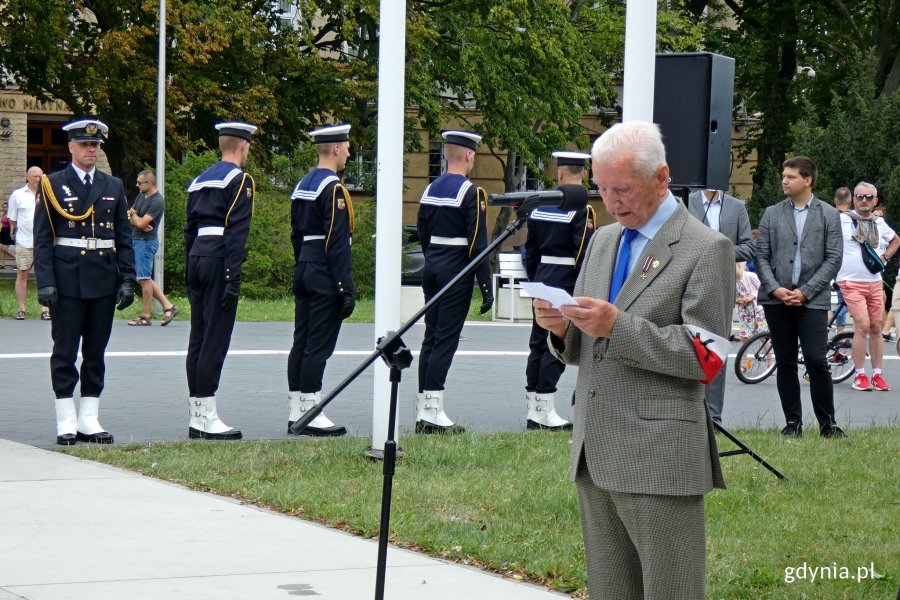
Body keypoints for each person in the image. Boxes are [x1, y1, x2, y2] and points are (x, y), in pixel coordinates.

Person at [534, 121, 733, 599]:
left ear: (661, 177)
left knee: (671, 590)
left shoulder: (707, 249)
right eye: (601, 188)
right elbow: (589, 345)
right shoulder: (604, 240)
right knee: (610, 589)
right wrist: (561, 330)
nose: (610, 201)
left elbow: (706, 358)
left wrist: (617, 326)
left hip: (658, 455)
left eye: (621, 188)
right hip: (595, 448)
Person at [32, 119, 136, 445]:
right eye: (85, 144)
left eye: (96, 145)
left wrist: (128, 277)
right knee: (64, 351)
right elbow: (43, 238)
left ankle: (89, 418)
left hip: (103, 278)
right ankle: (66, 418)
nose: (92, 149)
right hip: (66, 280)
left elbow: (124, 236)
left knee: (95, 351)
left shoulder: (113, 185)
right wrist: (45, 282)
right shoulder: (52, 184)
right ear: (71, 147)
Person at [756, 156, 846, 439]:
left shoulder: (829, 214)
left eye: (791, 176)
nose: (784, 180)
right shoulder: (771, 213)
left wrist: (806, 292)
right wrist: (774, 288)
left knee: (817, 360)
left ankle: (828, 425)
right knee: (784, 361)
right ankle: (792, 424)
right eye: (784, 175)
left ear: (808, 180)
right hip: (777, 300)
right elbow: (761, 256)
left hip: (813, 301)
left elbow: (833, 259)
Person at [416, 129, 494, 433]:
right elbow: (478, 244)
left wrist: (434, 258)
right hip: (456, 271)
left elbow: (422, 231)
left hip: (432, 267)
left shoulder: (429, 189)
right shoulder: (471, 193)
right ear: (469, 155)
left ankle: (425, 407)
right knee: (445, 340)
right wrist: (485, 286)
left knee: (431, 337)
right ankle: (432, 412)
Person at [184, 121, 257, 440]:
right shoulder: (240, 180)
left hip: (198, 256)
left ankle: (197, 414)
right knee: (215, 338)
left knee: (198, 337)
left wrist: (190, 265)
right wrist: (232, 276)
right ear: (243, 146)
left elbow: (189, 228)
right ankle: (207, 415)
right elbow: (237, 233)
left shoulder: (200, 179)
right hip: (218, 260)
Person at [286, 124, 355, 437]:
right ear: (337, 149)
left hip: (304, 265)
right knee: (319, 345)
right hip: (325, 272)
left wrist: (303, 261)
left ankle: (297, 409)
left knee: (301, 341)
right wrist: (345, 287)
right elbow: (337, 242)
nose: (350, 152)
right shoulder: (334, 188)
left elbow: (295, 234)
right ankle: (311, 410)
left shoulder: (303, 184)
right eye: (348, 147)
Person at [522, 150, 596, 430]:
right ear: (584, 175)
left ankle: (534, 406)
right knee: (557, 344)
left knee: (537, 342)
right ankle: (545, 408)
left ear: (559, 174)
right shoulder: (582, 209)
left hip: (542, 276)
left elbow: (530, 249)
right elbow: (583, 253)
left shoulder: (541, 206)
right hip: (566, 281)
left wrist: (537, 276)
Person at [686, 188, 754, 425]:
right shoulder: (686, 200)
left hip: (722, 285)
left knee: (716, 346)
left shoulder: (736, 207)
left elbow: (748, 246)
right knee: (687, 343)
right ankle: (688, 413)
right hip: (688, 281)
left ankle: (713, 416)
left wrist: (718, 251)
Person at [835, 181, 899, 392]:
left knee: (876, 329)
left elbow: (896, 241)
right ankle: (860, 374)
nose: (864, 201)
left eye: (868, 197)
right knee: (862, 325)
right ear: (853, 199)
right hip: (850, 282)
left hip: (874, 282)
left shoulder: (879, 223)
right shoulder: (842, 220)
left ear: (875, 201)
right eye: (860, 197)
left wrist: (884, 258)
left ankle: (877, 375)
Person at [126, 169, 179, 327]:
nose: (137, 185)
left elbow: (140, 222)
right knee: (144, 278)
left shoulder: (157, 201)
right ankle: (169, 307)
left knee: (143, 279)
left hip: (146, 241)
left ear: (150, 183)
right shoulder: (141, 195)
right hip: (137, 239)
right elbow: (130, 214)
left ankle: (145, 316)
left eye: (140, 183)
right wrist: (135, 218)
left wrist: (135, 218)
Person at [7, 166, 50, 320]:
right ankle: (21, 308)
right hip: (24, 240)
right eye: (34, 176)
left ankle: (45, 309)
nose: (37, 179)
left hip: (44, 242)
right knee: (22, 273)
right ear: (27, 177)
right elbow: (12, 218)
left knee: (44, 275)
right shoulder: (17, 195)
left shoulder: (48, 194)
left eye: (40, 176)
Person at [831, 187, 852, 332]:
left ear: (835, 201)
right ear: (850, 202)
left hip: (831, 264)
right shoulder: (852, 220)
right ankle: (828, 318)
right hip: (847, 266)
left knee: (842, 300)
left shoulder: (828, 217)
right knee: (846, 302)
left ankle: (840, 334)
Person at [735, 261, 766, 343]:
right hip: (744, 311)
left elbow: (762, 288)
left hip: (758, 310)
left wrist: (752, 296)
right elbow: (730, 296)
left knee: (763, 334)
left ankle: (769, 356)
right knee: (744, 336)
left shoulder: (750, 275)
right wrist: (737, 300)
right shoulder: (731, 281)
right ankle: (743, 356)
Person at [0, 200, 14, 265]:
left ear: (8, 208)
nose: (3, 208)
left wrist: (11, 233)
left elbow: (12, 224)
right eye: (3, 207)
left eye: (5, 207)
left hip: (7, 231)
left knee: (5, 249)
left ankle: (16, 257)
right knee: (1, 248)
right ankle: (2, 264)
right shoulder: (3, 214)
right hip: (3, 231)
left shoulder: (9, 215)